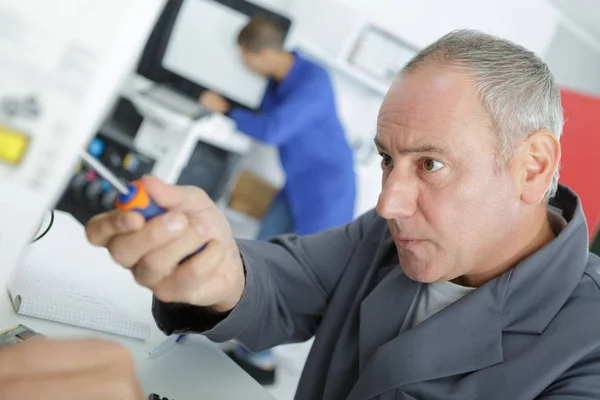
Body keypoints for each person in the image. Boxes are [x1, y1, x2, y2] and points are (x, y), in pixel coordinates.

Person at [86, 29, 600, 399]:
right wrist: (219, 274)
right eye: (387, 160)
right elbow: (285, 282)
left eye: (431, 163)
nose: (388, 203)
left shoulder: (589, 349)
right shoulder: (382, 237)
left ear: (532, 167)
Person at [198, 16, 356, 382]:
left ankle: (262, 359)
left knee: (302, 273)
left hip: (326, 190)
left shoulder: (313, 80)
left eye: (244, 58)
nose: (243, 65)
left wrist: (223, 108)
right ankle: (245, 339)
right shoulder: (276, 80)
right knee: (259, 253)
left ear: (265, 53)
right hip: (296, 184)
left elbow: (272, 130)